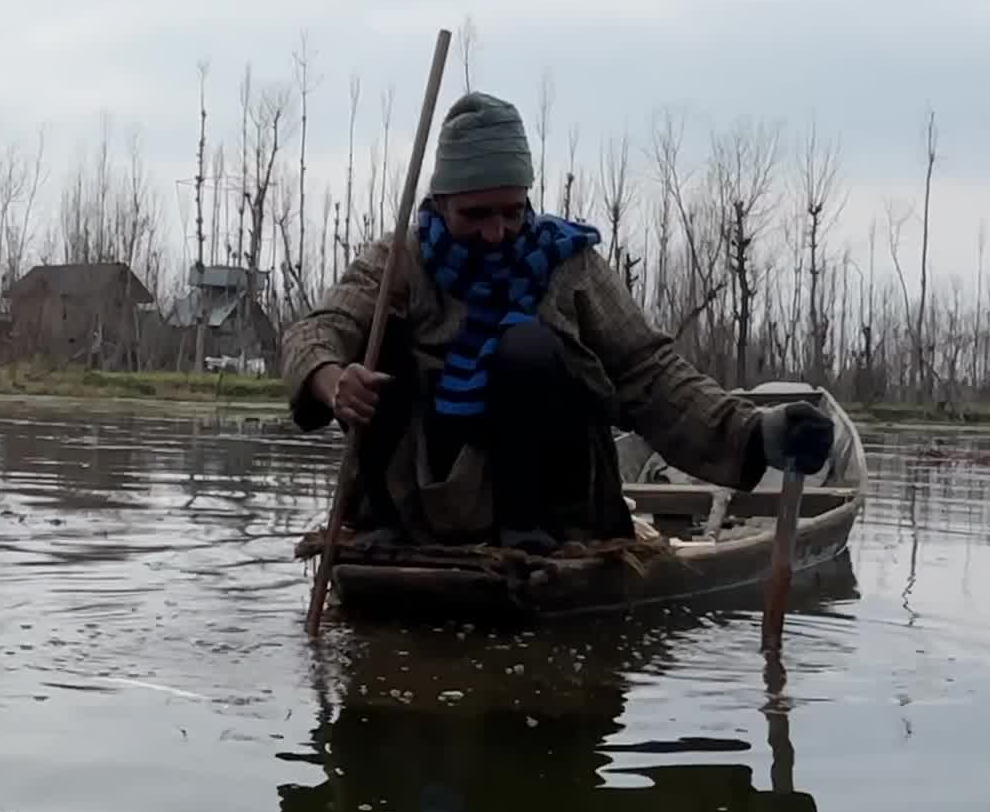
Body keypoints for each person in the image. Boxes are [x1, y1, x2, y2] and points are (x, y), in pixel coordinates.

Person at [283, 89, 836, 546]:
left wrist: (756, 433)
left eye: (511, 212)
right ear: (440, 203)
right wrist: (334, 384)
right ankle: (389, 524)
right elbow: (315, 332)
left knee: (524, 345)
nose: (496, 232)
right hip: (413, 500)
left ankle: (531, 531)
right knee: (378, 345)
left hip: (542, 509)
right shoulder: (399, 260)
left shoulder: (569, 265)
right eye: (475, 215)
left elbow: (651, 375)